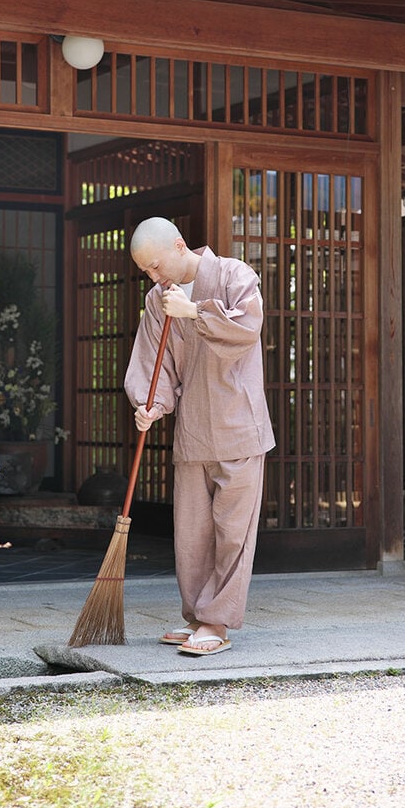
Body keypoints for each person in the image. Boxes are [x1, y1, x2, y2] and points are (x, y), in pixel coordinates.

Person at [124, 217, 275, 656]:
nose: (155, 278)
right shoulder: (158, 300)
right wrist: (151, 403)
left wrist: (195, 311)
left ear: (179, 245)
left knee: (232, 533)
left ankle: (217, 622)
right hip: (192, 428)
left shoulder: (234, 275)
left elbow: (247, 329)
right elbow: (155, 361)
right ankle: (196, 616)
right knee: (191, 534)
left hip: (238, 426)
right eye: (147, 273)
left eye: (155, 266)